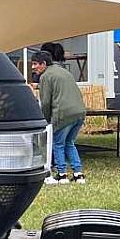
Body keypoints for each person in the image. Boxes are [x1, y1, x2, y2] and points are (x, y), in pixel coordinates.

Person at [31, 50, 87, 184]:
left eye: (35, 64)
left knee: (58, 144)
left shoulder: (45, 76)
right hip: (79, 112)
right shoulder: (63, 72)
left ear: (43, 64)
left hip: (63, 114)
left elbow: (45, 102)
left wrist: (45, 120)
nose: (33, 67)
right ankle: (78, 174)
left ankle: (62, 175)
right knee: (69, 143)